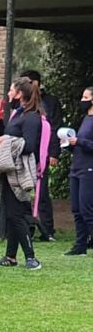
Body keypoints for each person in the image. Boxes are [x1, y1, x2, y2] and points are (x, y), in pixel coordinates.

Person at [0, 78, 43, 270]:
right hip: (9, 169)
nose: (9, 94)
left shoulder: (31, 117)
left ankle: (31, 257)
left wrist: (8, 139)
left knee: (16, 215)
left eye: (11, 90)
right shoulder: (18, 114)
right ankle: (10, 257)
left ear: (20, 94)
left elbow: (28, 145)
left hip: (18, 172)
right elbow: (11, 136)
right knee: (11, 214)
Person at [20, 70, 62, 241]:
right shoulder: (22, 103)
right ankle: (25, 227)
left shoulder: (51, 102)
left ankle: (47, 230)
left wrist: (54, 152)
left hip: (42, 153)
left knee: (42, 192)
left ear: (36, 83)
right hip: (26, 152)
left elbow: (55, 128)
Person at [63, 86, 93, 256]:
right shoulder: (86, 119)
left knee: (87, 208)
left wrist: (80, 142)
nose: (82, 100)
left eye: (86, 97)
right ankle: (80, 245)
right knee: (76, 209)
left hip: (89, 169)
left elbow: (87, 143)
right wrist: (70, 145)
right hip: (77, 167)